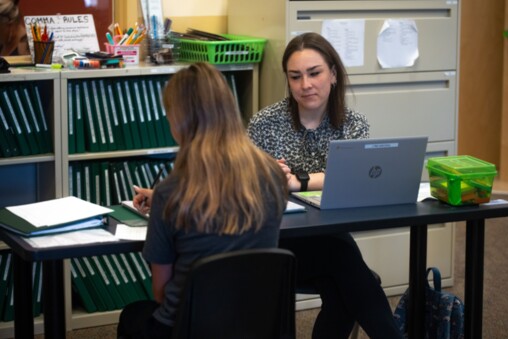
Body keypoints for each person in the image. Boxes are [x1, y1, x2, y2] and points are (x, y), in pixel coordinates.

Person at [247, 32, 402, 339]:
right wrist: (268, 177)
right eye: (295, 77)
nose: (305, 85)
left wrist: (295, 181)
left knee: (342, 281)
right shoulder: (264, 123)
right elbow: (247, 184)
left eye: (314, 73)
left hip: (328, 238)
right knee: (347, 267)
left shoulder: (353, 123)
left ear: (332, 73)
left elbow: (353, 177)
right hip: (275, 242)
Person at [117, 62, 288, 338]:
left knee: (133, 315)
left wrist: (163, 204)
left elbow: (161, 293)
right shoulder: (272, 176)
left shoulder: (171, 193)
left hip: (188, 328)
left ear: (180, 120)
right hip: (256, 324)